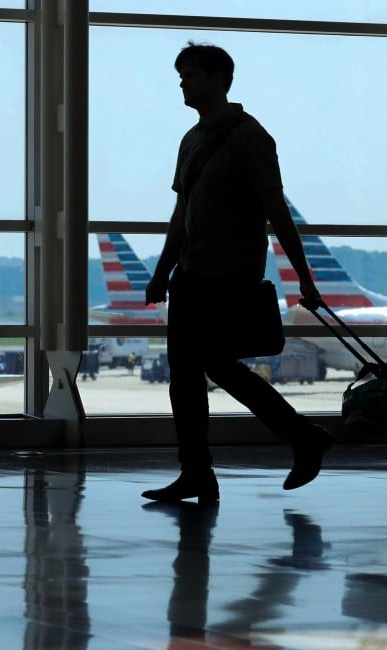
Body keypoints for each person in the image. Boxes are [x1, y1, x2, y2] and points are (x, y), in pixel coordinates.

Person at [142, 42, 330, 504]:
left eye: (192, 74)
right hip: (191, 276)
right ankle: (201, 470)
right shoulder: (191, 140)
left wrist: (304, 277)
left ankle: (292, 439)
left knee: (209, 368)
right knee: (188, 376)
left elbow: (277, 212)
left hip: (231, 276)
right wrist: (163, 271)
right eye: (181, 75)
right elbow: (181, 214)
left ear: (219, 79)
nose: (183, 83)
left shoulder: (250, 137)